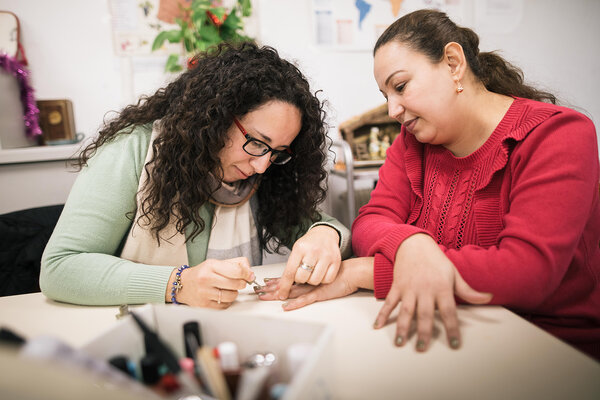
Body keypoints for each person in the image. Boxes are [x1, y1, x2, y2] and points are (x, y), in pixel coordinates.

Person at [263, 9, 600, 360]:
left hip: (551, 349)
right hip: (454, 333)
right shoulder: (413, 144)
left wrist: (366, 271)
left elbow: (526, 274)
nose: (392, 109)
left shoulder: (557, 135)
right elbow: (369, 223)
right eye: (385, 95)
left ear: (453, 63)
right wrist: (411, 244)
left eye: (401, 86)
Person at [40, 41, 351, 308]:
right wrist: (178, 283)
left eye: (278, 152)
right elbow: (60, 267)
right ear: (216, 118)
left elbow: (328, 230)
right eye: (257, 142)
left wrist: (326, 234)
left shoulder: (261, 172)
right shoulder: (135, 148)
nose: (262, 166)